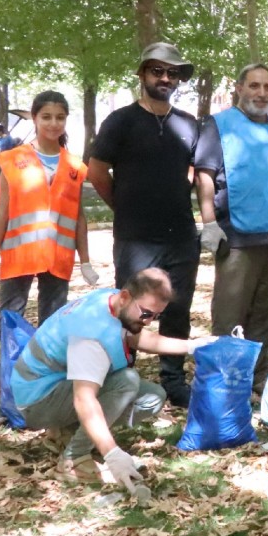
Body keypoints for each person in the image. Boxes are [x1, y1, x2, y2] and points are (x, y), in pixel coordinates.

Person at [10, 268, 215, 491]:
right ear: (126, 297)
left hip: (52, 386)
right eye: (146, 314)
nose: (149, 322)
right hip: (36, 399)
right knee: (126, 381)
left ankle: (65, 432)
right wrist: (112, 453)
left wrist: (194, 346)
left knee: (153, 397)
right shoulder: (91, 335)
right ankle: (73, 460)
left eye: (156, 316)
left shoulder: (114, 301)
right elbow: (84, 399)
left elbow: (138, 337)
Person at [0, 91, 96, 424]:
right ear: (34, 118)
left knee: (53, 327)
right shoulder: (13, 159)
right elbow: (3, 212)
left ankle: (42, 394)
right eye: (46, 117)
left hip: (58, 259)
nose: (53, 123)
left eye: (59, 117)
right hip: (19, 256)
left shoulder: (74, 166)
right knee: (5, 325)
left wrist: (85, 259)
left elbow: (79, 216)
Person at [88, 42, 202, 406]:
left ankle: (173, 380)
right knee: (131, 309)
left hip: (182, 234)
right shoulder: (120, 120)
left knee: (178, 307)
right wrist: (122, 206)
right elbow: (96, 171)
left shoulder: (188, 124)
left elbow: (195, 172)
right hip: (135, 238)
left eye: (172, 73)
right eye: (157, 71)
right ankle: (125, 379)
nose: (165, 78)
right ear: (142, 74)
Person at [195, 63, 268, 387]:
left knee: (266, 316)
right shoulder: (219, 125)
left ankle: (255, 378)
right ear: (239, 89)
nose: (262, 93)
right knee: (230, 315)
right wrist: (209, 224)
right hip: (237, 238)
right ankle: (222, 383)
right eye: (254, 86)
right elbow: (204, 175)